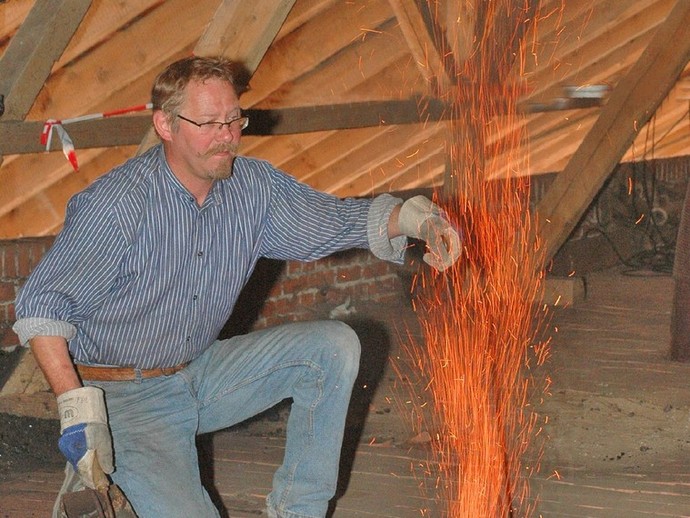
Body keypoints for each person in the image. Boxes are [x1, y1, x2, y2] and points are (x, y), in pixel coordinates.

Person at [13, 55, 461, 518]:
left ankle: (297, 510)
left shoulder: (254, 190)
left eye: (233, 120)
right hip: (125, 398)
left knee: (333, 347)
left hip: (199, 372)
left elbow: (332, 220)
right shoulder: (117, 205)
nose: (226, 136)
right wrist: (79, 413)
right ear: (165, 125)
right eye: (208, 123)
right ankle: (97, 472)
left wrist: (407, 217)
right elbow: (41, 308)